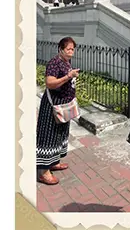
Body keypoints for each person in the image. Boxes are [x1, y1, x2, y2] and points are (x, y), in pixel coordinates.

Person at [36, 37, 80, 185]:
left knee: (59, 135)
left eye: (73, 49)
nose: (71, 51)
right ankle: (43, 171)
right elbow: (50, 83)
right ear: (60, 49)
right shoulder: (54, 62)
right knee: (48, 136)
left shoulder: (66, 62)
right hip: (52, 107)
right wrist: (68, 76)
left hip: (63, 106)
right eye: (68, 49)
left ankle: (53, 161)